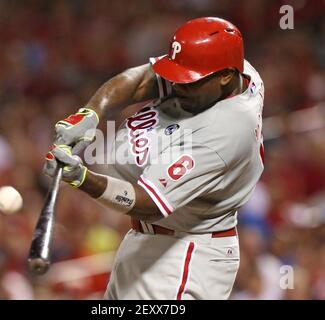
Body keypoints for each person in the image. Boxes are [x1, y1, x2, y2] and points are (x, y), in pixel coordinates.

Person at [44, 17, 265, 300]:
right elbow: (141, 80)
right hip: (151, 242)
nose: (176, 85)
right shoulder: (237, 71)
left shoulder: (225, 131)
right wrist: (91, 113)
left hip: (184, 255)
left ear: (224, 76)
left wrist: (81, 178)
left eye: (188, 80)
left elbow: (149, 205)